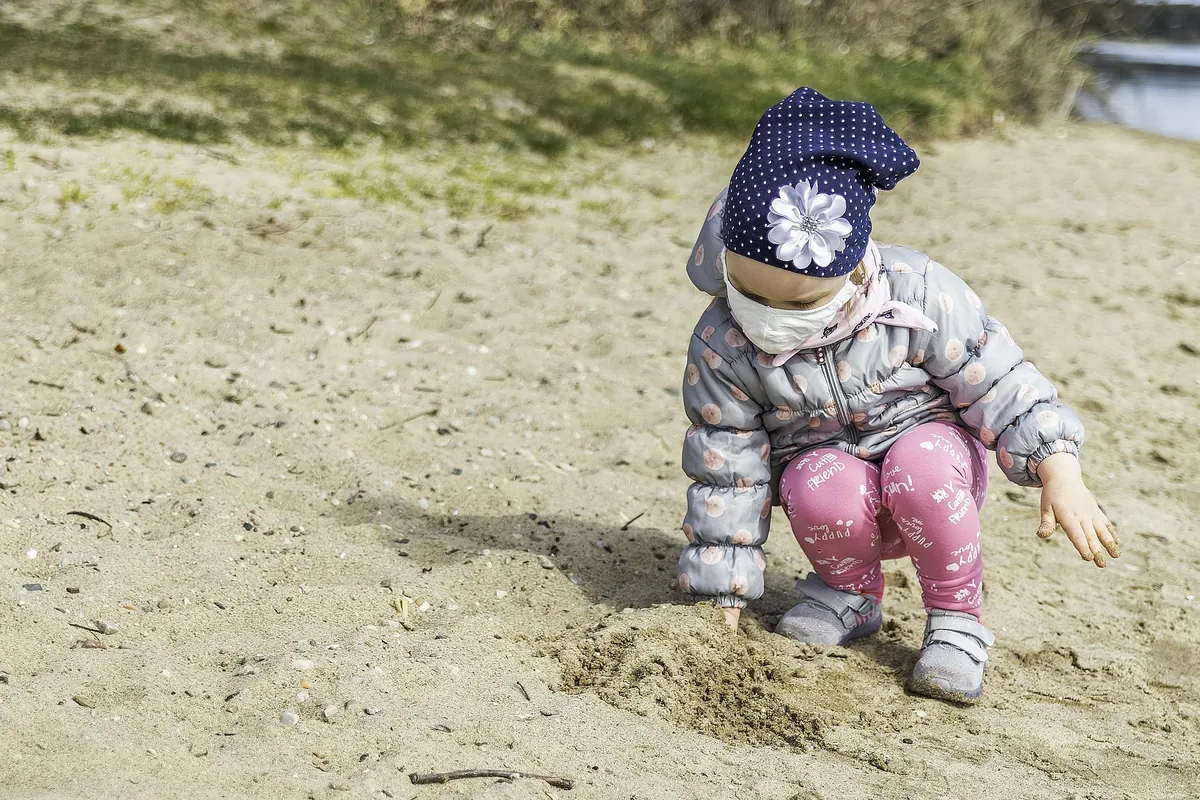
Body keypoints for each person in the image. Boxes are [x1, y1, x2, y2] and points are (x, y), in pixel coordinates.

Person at [677, 87, 1120, 704]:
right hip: (831, 491)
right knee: (813, 479)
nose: (771, 319)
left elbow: (998, 378)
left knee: (922, 462)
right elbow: (727, 464)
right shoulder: (725, 342)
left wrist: (1059, 468)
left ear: (856, 267)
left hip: (934, 473)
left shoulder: (918, 294)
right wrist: (720, 596)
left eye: (801, 303)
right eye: (752, 297)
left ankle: (957, 618)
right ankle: (851, 593)